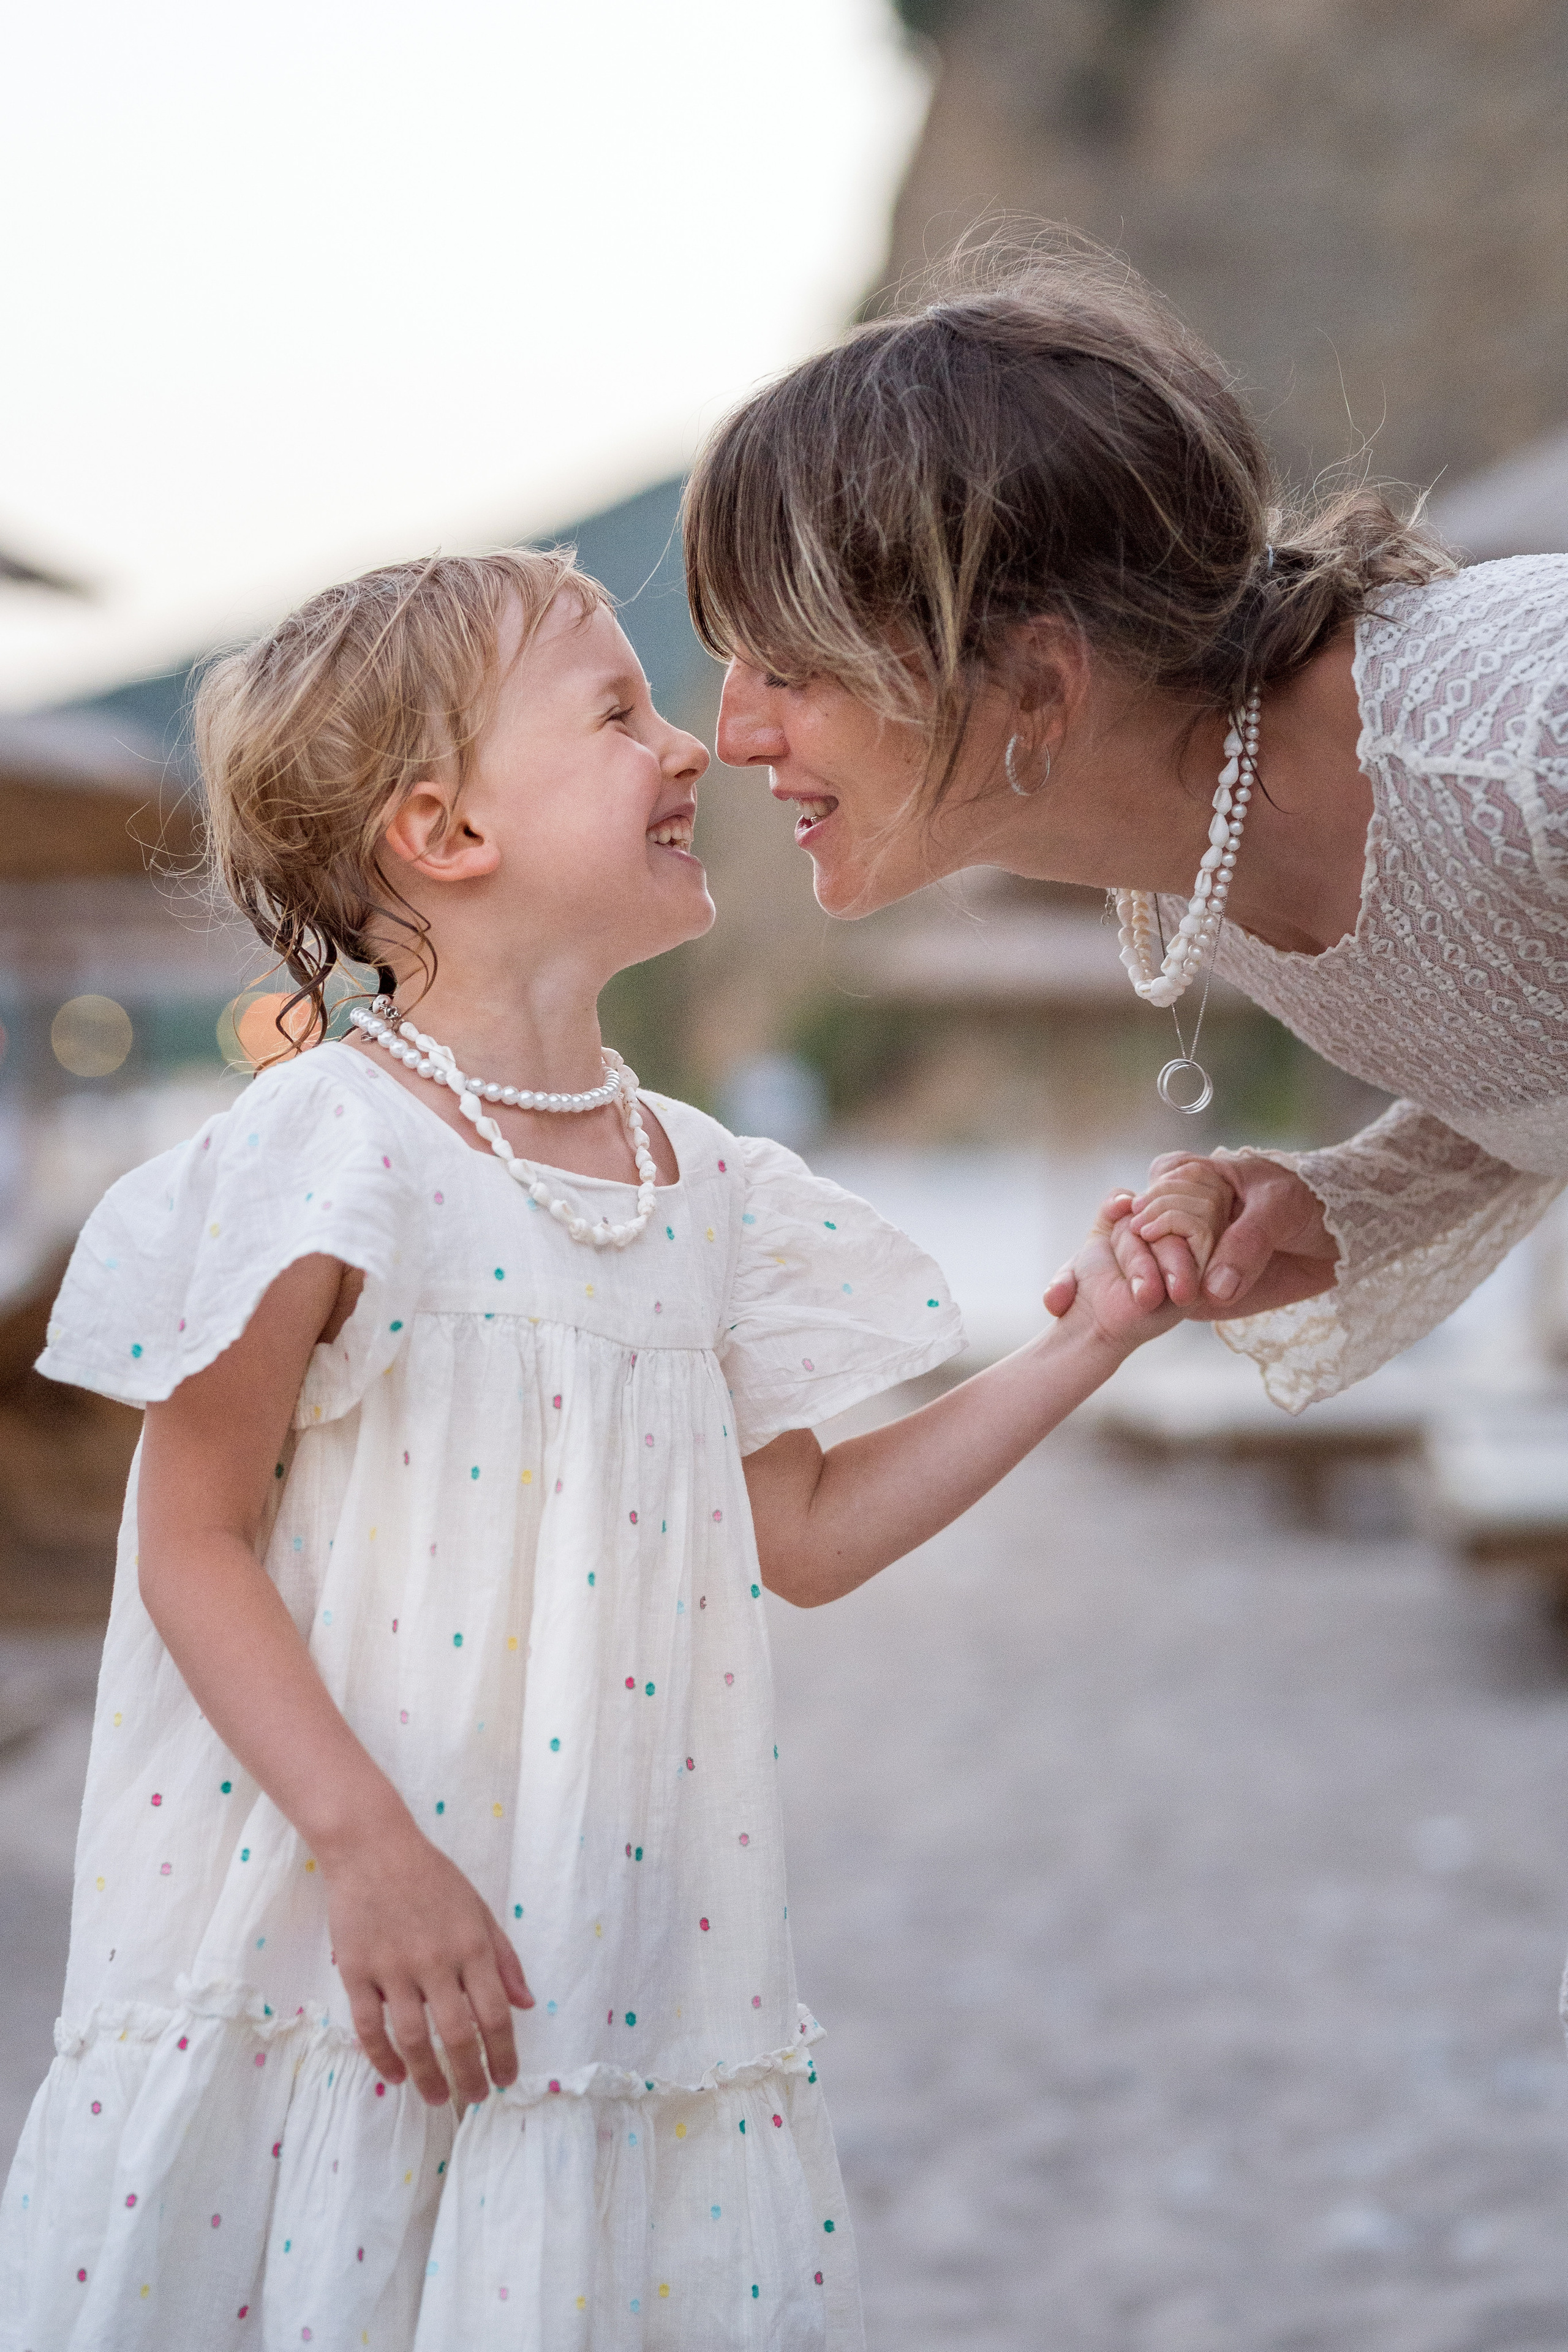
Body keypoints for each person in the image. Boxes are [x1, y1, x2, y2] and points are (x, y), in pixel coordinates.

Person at [0, 548, 1231, 2351]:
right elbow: (186, 1539)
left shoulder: (707, 1190)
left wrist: (1090, 1335)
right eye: (616, 713)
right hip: (340, 1942)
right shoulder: (329, 1155)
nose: (693, 748)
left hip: (611, 1954)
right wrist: (367, 1849)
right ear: (442, 829)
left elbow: (801, 1530)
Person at [685, 235, 1568, 1414]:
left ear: (1042, 682)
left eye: (790, 667)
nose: (731, 733)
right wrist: (1351, 1199)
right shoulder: (1200, 848)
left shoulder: (1522, 728)